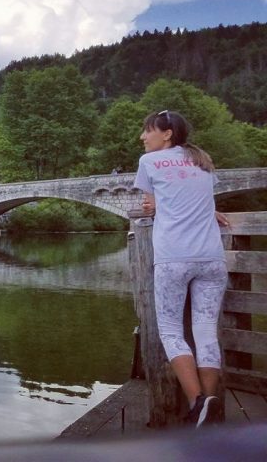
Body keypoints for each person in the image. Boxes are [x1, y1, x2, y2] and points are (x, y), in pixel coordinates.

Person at [134, 109, 230, 428]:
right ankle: (211, 400)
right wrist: (209, 213)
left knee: (172, 331)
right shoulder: (202, 161)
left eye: (148, 130)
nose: (142, 137)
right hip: (211, 258)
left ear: (167, 134)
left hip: (174, 257)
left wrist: (158, 206)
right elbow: (199, 200)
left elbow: (150, 205)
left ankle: (197, 402)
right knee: (204, 329)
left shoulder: (148, 162)